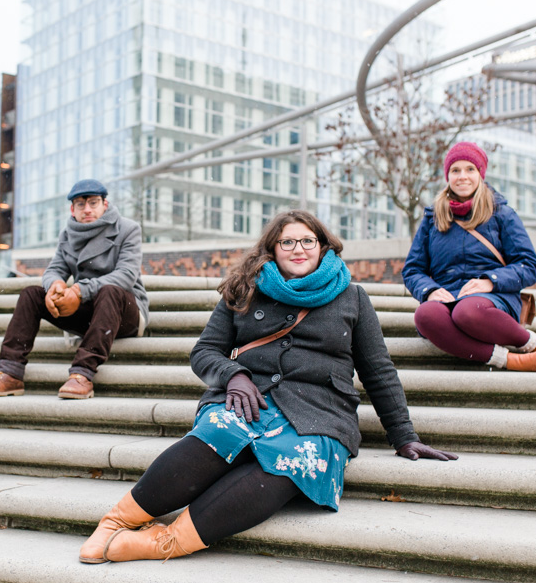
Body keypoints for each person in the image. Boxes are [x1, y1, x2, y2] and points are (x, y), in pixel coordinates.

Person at [78, 210, 456, 564]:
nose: (298, 249)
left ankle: (168, 541)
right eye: (287, 242)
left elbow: (379, 371)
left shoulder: (353, 297)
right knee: (217, 433)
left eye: (307, 241)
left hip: (322, 413)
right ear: (272, 248)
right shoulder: (245, 289)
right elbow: (204, 352)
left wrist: (403, 435)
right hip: (249, 397)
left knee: (293, 461)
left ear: (322, 246)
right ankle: (116, 521)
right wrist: (233, 375)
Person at [401, 142, 536, 373]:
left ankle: (535, 345)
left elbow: (529, 266)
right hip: (448, 297)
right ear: (447, 176)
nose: (462, 176)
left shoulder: (502, 213)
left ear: (480, 173)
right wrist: (430, 291)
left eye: (470, 169)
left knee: (468, 311)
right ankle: (511, 361)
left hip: (494, 299)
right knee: (425, 315)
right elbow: (413, 270)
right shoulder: (432, 218)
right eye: (455, 170)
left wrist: (490, 281)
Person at [0, 178, 149, 400]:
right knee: (31, 294)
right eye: (81, 204)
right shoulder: (68, 234)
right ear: (72, 209)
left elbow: (126, 275)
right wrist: (55, 286)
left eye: (93, 203)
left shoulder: (127, 229)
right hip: (89, 315)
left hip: (125, 314)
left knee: (110, 291)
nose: (87, 209)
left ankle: (82, 374)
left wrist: (78, 291)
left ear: (105, 204)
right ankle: (10, 373)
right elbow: (54, 269)